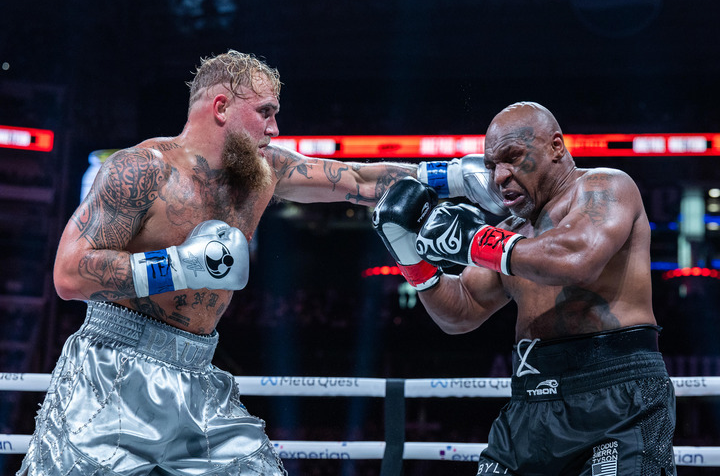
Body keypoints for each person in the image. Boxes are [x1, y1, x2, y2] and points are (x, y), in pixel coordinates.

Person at [18, 49, 467, 476]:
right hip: (112, 371)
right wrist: (179, 266)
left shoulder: (264, 171)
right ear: (221, 107)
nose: (275, 128)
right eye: (265, 112)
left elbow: (358, 179)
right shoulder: (142, 169)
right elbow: (69, 273)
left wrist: (457, 177)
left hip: (197, 375)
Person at [373, 102, 676, 475]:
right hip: (530, 405)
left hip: (617, 400)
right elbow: (460, 313)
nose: (500, 176)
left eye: (512, 157)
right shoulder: (512, 234)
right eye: (491, 166)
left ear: (556, 147)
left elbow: (576, 257)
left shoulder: (606, 186)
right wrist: (410, 257)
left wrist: (476, 241)